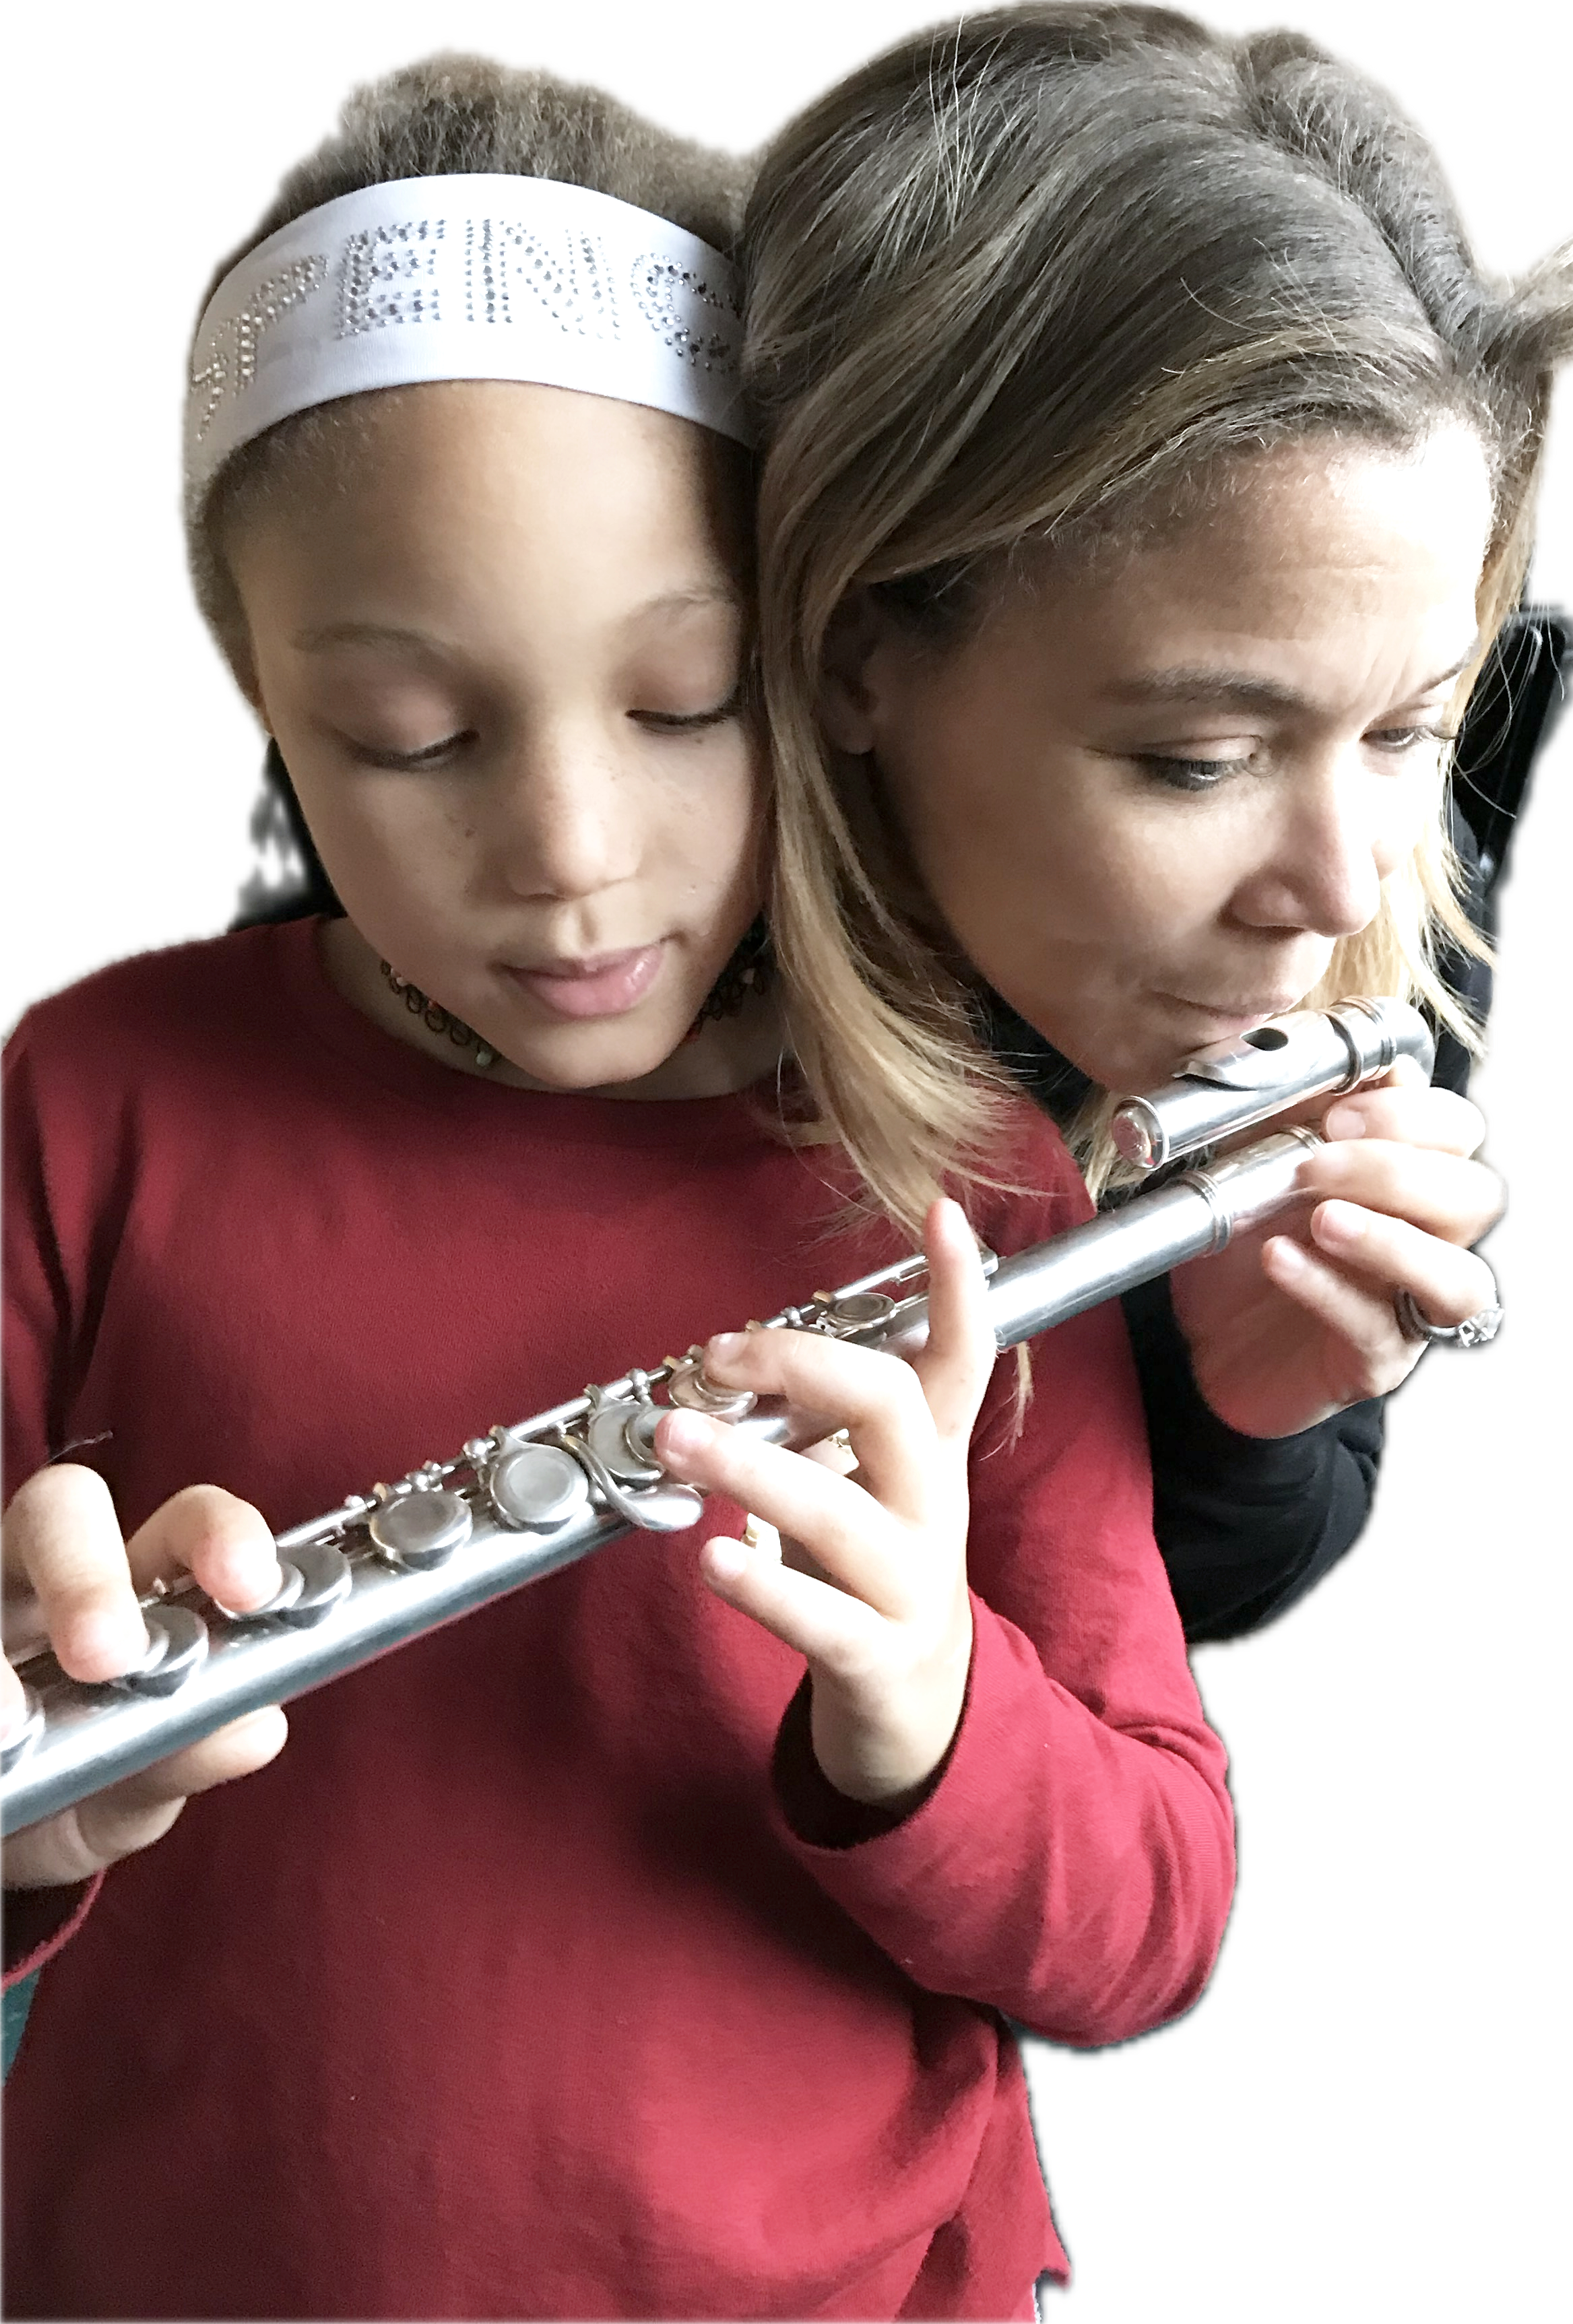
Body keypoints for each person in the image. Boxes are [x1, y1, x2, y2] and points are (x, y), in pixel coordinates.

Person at [0, 42, 1233, 2324]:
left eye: (683, 703)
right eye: (413, 739)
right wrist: (30, 1810)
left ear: (829, 670)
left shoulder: (965, 1184)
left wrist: (936, 1717)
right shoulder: (96, 1091)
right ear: (254, 695)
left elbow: (1148, 1929)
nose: (568, 859)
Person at [736, 0, 1573, 1650]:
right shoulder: (536, 874)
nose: (1338, 882)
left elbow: (1209, 1606)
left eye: (1404, 726)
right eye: (1197, 759)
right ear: (851, 649)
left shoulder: (1372, 847)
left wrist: (1243, 1415)